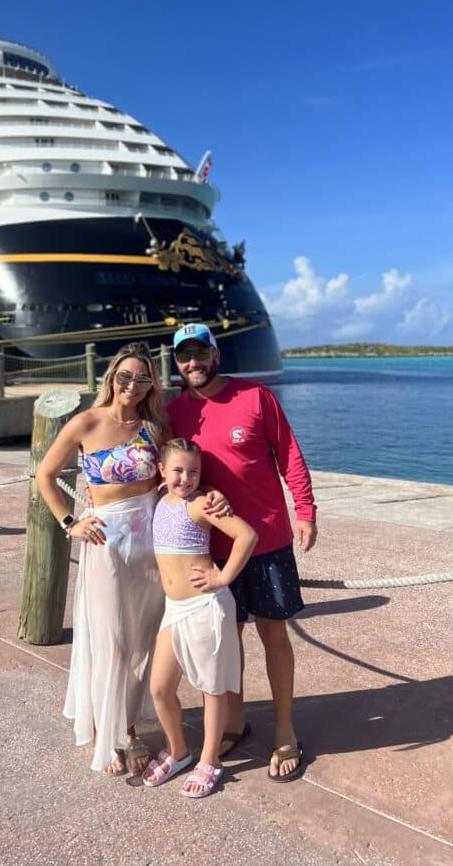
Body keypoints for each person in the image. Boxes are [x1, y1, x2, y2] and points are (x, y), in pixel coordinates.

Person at [167, 323, 317, 782]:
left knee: (274, 633)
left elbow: (288, 452)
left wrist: (305, 508)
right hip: (211, 552)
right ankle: (235, 721)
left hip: (268, 539)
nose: (193, 362)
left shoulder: (255, 397)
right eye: (183, 356)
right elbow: (161, 468)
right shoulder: (174, 413)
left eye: (200, 353)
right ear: (177, 364)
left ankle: (286, 731)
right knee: (226, 641)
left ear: (216, 354)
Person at [35, 341, 169, 776]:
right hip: (105, 540)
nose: (132, 385)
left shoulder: (154, 425)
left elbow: (167, 478)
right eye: (125, 376)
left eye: (142, 378)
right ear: (111, 377)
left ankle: (127, 726)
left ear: (152, 385)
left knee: (142, 639)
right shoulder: (86, 422)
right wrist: (69, 521)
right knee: (111, 638)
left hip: (149, 540)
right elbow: (46, 475)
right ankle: (106, 734)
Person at [142, 439, 257, 798]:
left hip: (205, 606)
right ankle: (178, 750)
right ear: (162, 470)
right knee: (160, 688)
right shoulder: (159, 498)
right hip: (174, 610)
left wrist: (222, 578)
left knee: (211, 688)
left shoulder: (201, 504)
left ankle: (210, 760)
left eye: (194, 471)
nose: (186, 478)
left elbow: (246, 535)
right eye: (178, 470)